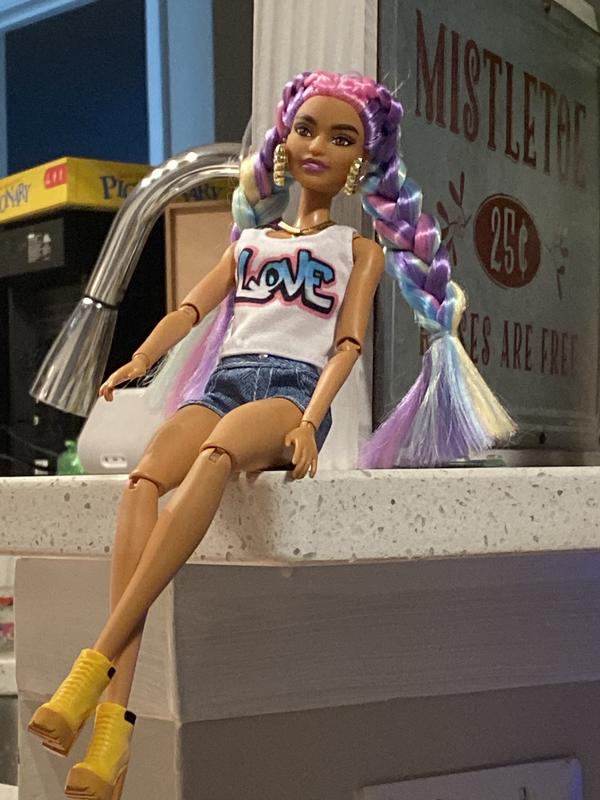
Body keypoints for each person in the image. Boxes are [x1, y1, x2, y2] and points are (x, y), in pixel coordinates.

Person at [27, 71, 514, 800]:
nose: (319, 146)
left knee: (217, 455)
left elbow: (347, 346)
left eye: (341, 138)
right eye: (307, 129)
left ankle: (93, 665)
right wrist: (141, 358)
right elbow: (191, 311)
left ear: (361, 162)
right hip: (223, 382)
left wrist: (311, 421)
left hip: (288, 391)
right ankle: (112, 730)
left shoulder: (359, 250)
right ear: (284, 143)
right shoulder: (249, 242)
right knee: (143, 480)